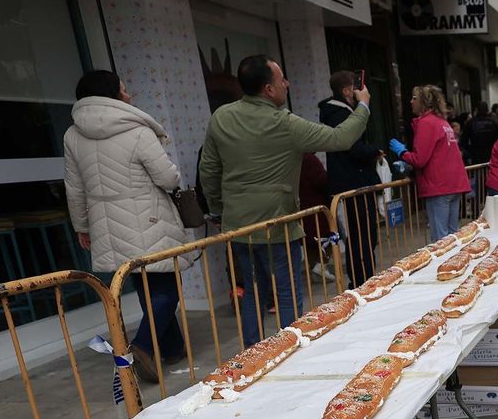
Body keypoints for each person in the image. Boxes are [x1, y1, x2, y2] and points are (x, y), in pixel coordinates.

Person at [201, 55, 370, 345]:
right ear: (268, 89)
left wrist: (218, 210)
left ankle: (252, 351)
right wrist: (363, 105)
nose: (287, 84)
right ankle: (289, 350)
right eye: (282, 80)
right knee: (288, 292)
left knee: (253, 292)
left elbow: (209, 170)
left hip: (239, 226)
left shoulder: (221, 117)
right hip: (278, 224)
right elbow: (340, 138)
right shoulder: (284, 123)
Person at [64, 69, 189, 382]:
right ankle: (141, 347)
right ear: (113, 95)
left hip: (106, 223)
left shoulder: (72, 135)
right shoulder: (137, 129)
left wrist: (83, 226)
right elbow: (166, 177)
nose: (129, 94)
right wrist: (174, 173)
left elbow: (74, 187)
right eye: (123, 89)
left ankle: (173, 347)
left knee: (145, 287)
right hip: (150, 217)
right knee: (166, 290)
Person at [319, 70, 383, 286]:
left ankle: (365, 279)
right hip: (350, 185)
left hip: (357, 182)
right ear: (347, 90)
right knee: (359, 238)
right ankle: (361, 282)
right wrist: (373, 151)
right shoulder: (338, 114)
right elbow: (351, 146)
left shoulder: (345, 112)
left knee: (366, 236)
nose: (361, 90)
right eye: (356, 86)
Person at [390, 84, 470, 243]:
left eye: (414, 98)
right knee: (453, 234)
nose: (410, 102)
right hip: (454, 184)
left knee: (440, 239)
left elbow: (420, 159)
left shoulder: (426, 123)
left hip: (438, 186)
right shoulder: (443, 122)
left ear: (424, 102)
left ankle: (444, 267)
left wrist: (402, 152)